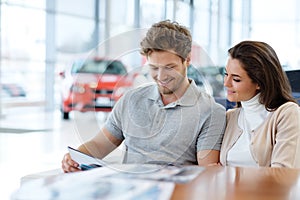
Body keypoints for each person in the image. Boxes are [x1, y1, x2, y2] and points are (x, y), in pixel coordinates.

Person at [62, 20, 226, 173]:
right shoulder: (131, 100)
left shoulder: (211, 112)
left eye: (170, 67)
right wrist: (75, 157)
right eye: (154, 67)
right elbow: (99, 145)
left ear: (187, 60)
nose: (161, 76)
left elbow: (206, 174)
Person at [220, 40, 300, 168]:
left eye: (236, 79)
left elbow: (282, 174)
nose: (226, 83)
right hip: (228, 188)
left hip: (267, 189)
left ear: (259, 82)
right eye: (226, 74)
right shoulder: (230, 117)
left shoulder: (286, 113)